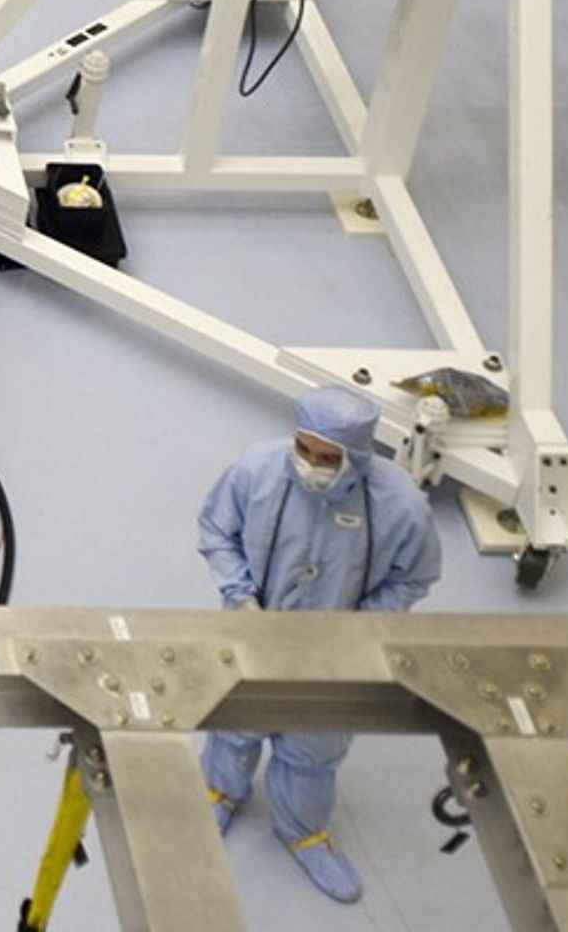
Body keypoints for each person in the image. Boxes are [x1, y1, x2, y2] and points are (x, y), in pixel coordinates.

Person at [198, 386, 442, 904]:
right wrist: (240, 597)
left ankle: (303, 830)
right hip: (253, 635)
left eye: (329, 458)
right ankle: (218, 791)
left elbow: (413, 576)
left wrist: (360, 629)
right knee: (234, 725)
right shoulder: (257, 471)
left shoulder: (400, 507)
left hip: (338, 656)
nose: (311, 464)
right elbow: (217, 530)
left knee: (314, 747)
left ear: (358, 457)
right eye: (303, 449)